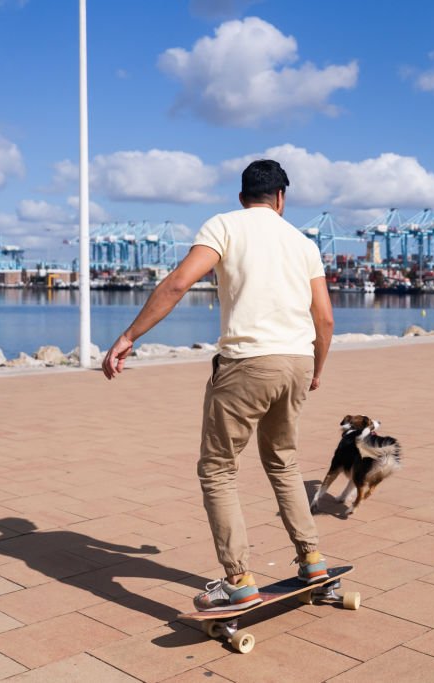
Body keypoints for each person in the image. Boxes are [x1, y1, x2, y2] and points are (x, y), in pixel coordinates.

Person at [102, 159, 334, 612]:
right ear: (281, 197)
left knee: (218, 469)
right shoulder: (303, 242)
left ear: (242, 196)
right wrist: (317, 369)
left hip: (248, 362)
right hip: (297, 362)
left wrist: (129, 336)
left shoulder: (224, 226)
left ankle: (239, 579)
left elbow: (177, 285)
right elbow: (324, 319)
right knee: (283, 462)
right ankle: (313, 560)